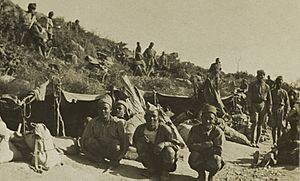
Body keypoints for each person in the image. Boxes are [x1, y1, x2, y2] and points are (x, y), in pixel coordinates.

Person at [133, 104, 180, 181]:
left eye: (154, 116)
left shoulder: (165, 129)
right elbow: (134, 143)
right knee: (140, 144)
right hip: (150, 157)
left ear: (158, 117)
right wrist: (142, 141)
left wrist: (164, 144)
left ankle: (165, 172)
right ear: (145, 117)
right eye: (149, 116)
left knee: (169, 151)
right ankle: (151, 169)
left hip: (164, 158)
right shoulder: (140, 129)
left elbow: (177, 144)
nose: (151, 119)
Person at [80, 94, 128, 168]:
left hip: (111, 152)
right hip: (98, 151)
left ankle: (112, 161)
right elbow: (83, 141)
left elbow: (124, 144)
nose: (102, 111)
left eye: (105, 109)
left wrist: (118, 159)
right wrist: (92, 157)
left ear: (110, 110)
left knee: (116, 144)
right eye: (100, 109)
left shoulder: (118, 123)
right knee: (89, 141)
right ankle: (99, 159)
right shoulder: (92, 122)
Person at [187, 104, 225, 181]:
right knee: (193, 157)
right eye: (205, 118)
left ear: (214, 120)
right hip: (199, 156)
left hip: (211, 157)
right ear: (201, 118)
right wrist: (206, 145)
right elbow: (190, 145)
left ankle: (211, 175)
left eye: (210, 119)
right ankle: (201, 174)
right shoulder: (195, 129)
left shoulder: (218, 132)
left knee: (216, 159)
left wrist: (198, 147)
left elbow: (218, 150)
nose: (207, 121)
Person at [247, 70, 272, 148]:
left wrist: (269, 108)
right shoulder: (252, 85)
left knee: (260, 124)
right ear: (256, 76)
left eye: (262, 75)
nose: (260, 76)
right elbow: (249, 96)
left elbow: (269, 98)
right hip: (254, 104)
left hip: (263, 105)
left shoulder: (267, 86)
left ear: (264, 76)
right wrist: (249, 106)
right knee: (254, 122)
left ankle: (257, 142)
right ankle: (252, 141)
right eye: (259, 75)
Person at [270, 76, 290, 147]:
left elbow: (287, 103)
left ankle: (278, 142)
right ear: (276, 83)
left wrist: (286, 113)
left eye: (280, 83)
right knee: (273, 127)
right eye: (278, 83)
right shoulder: (272, 91)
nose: (279, 84)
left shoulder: (284, 92)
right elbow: (269, 101)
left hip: (281, 109)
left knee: (279, 127)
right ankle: (274, 142)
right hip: (274, 108)